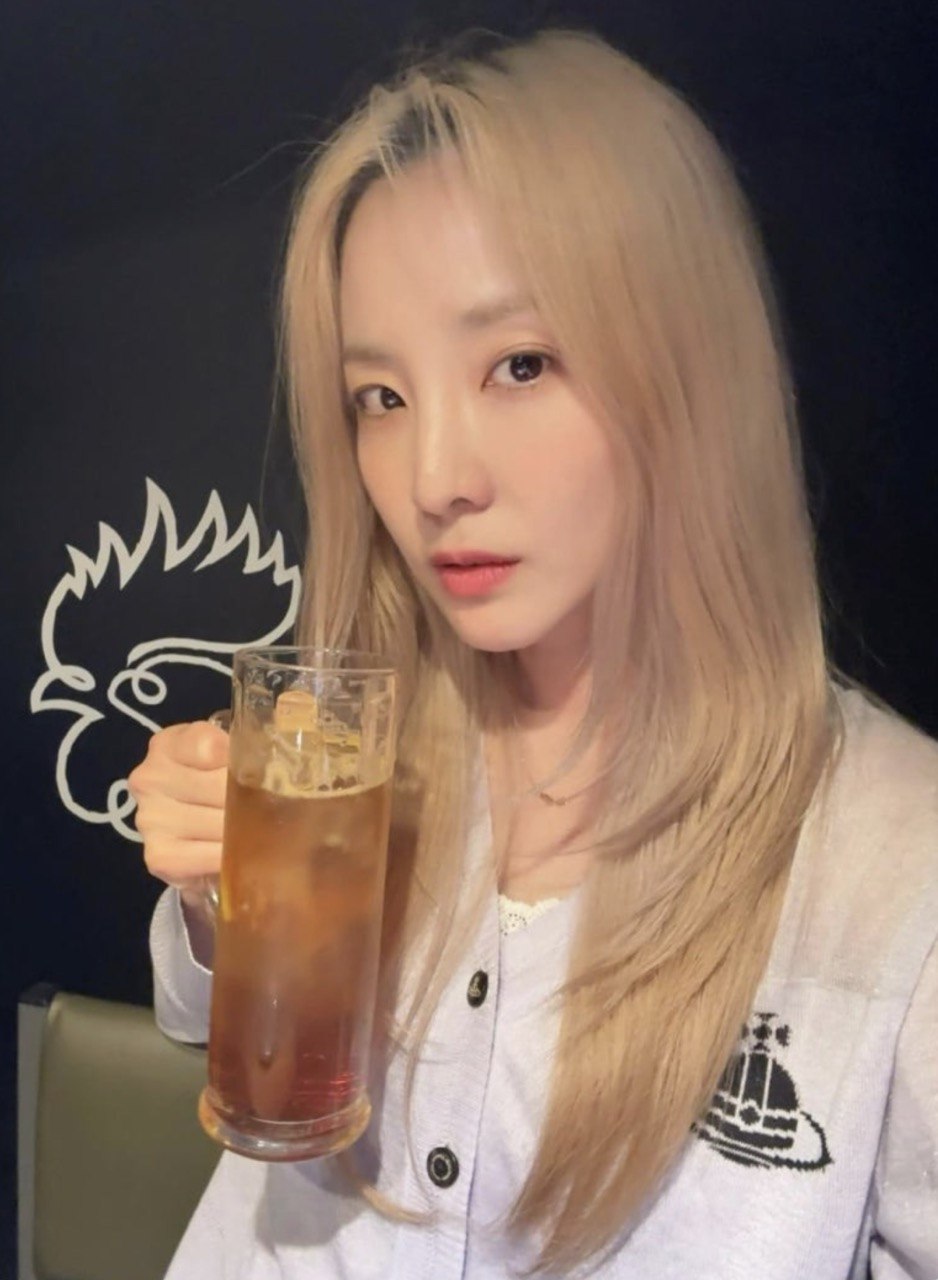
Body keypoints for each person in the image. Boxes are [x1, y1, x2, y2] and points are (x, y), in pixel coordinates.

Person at [128, 27, 938, 1280]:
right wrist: (210, 894)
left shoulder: (896, 865)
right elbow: (200, 1019)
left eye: (518, 364)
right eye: (380, 397)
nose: (433, 480)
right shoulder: (350, 743)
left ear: (686, 370)